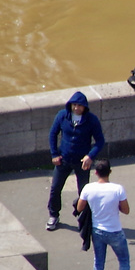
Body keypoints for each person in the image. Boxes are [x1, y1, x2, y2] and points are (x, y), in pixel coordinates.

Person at [47, 91, 106, 231]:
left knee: (84, 192)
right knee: (55, 188)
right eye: (74, 105)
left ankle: (84, 218)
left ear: (85, 107)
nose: (76, 108)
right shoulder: (62, 116)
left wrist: (90, 156)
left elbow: (100, 141)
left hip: (82, 162)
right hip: (64, 160)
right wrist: (54, 154)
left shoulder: (91, 120)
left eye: (80, 106)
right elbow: (52, 134)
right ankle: (53, 215)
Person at [77, 163, 135, 270]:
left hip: (97, 231)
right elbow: (126, 210)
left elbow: (79, 207)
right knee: (123, 262)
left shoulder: (88, 188)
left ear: (96, 172)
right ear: (110, 171)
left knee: (98, 263)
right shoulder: (117, 189)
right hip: (115, 231)